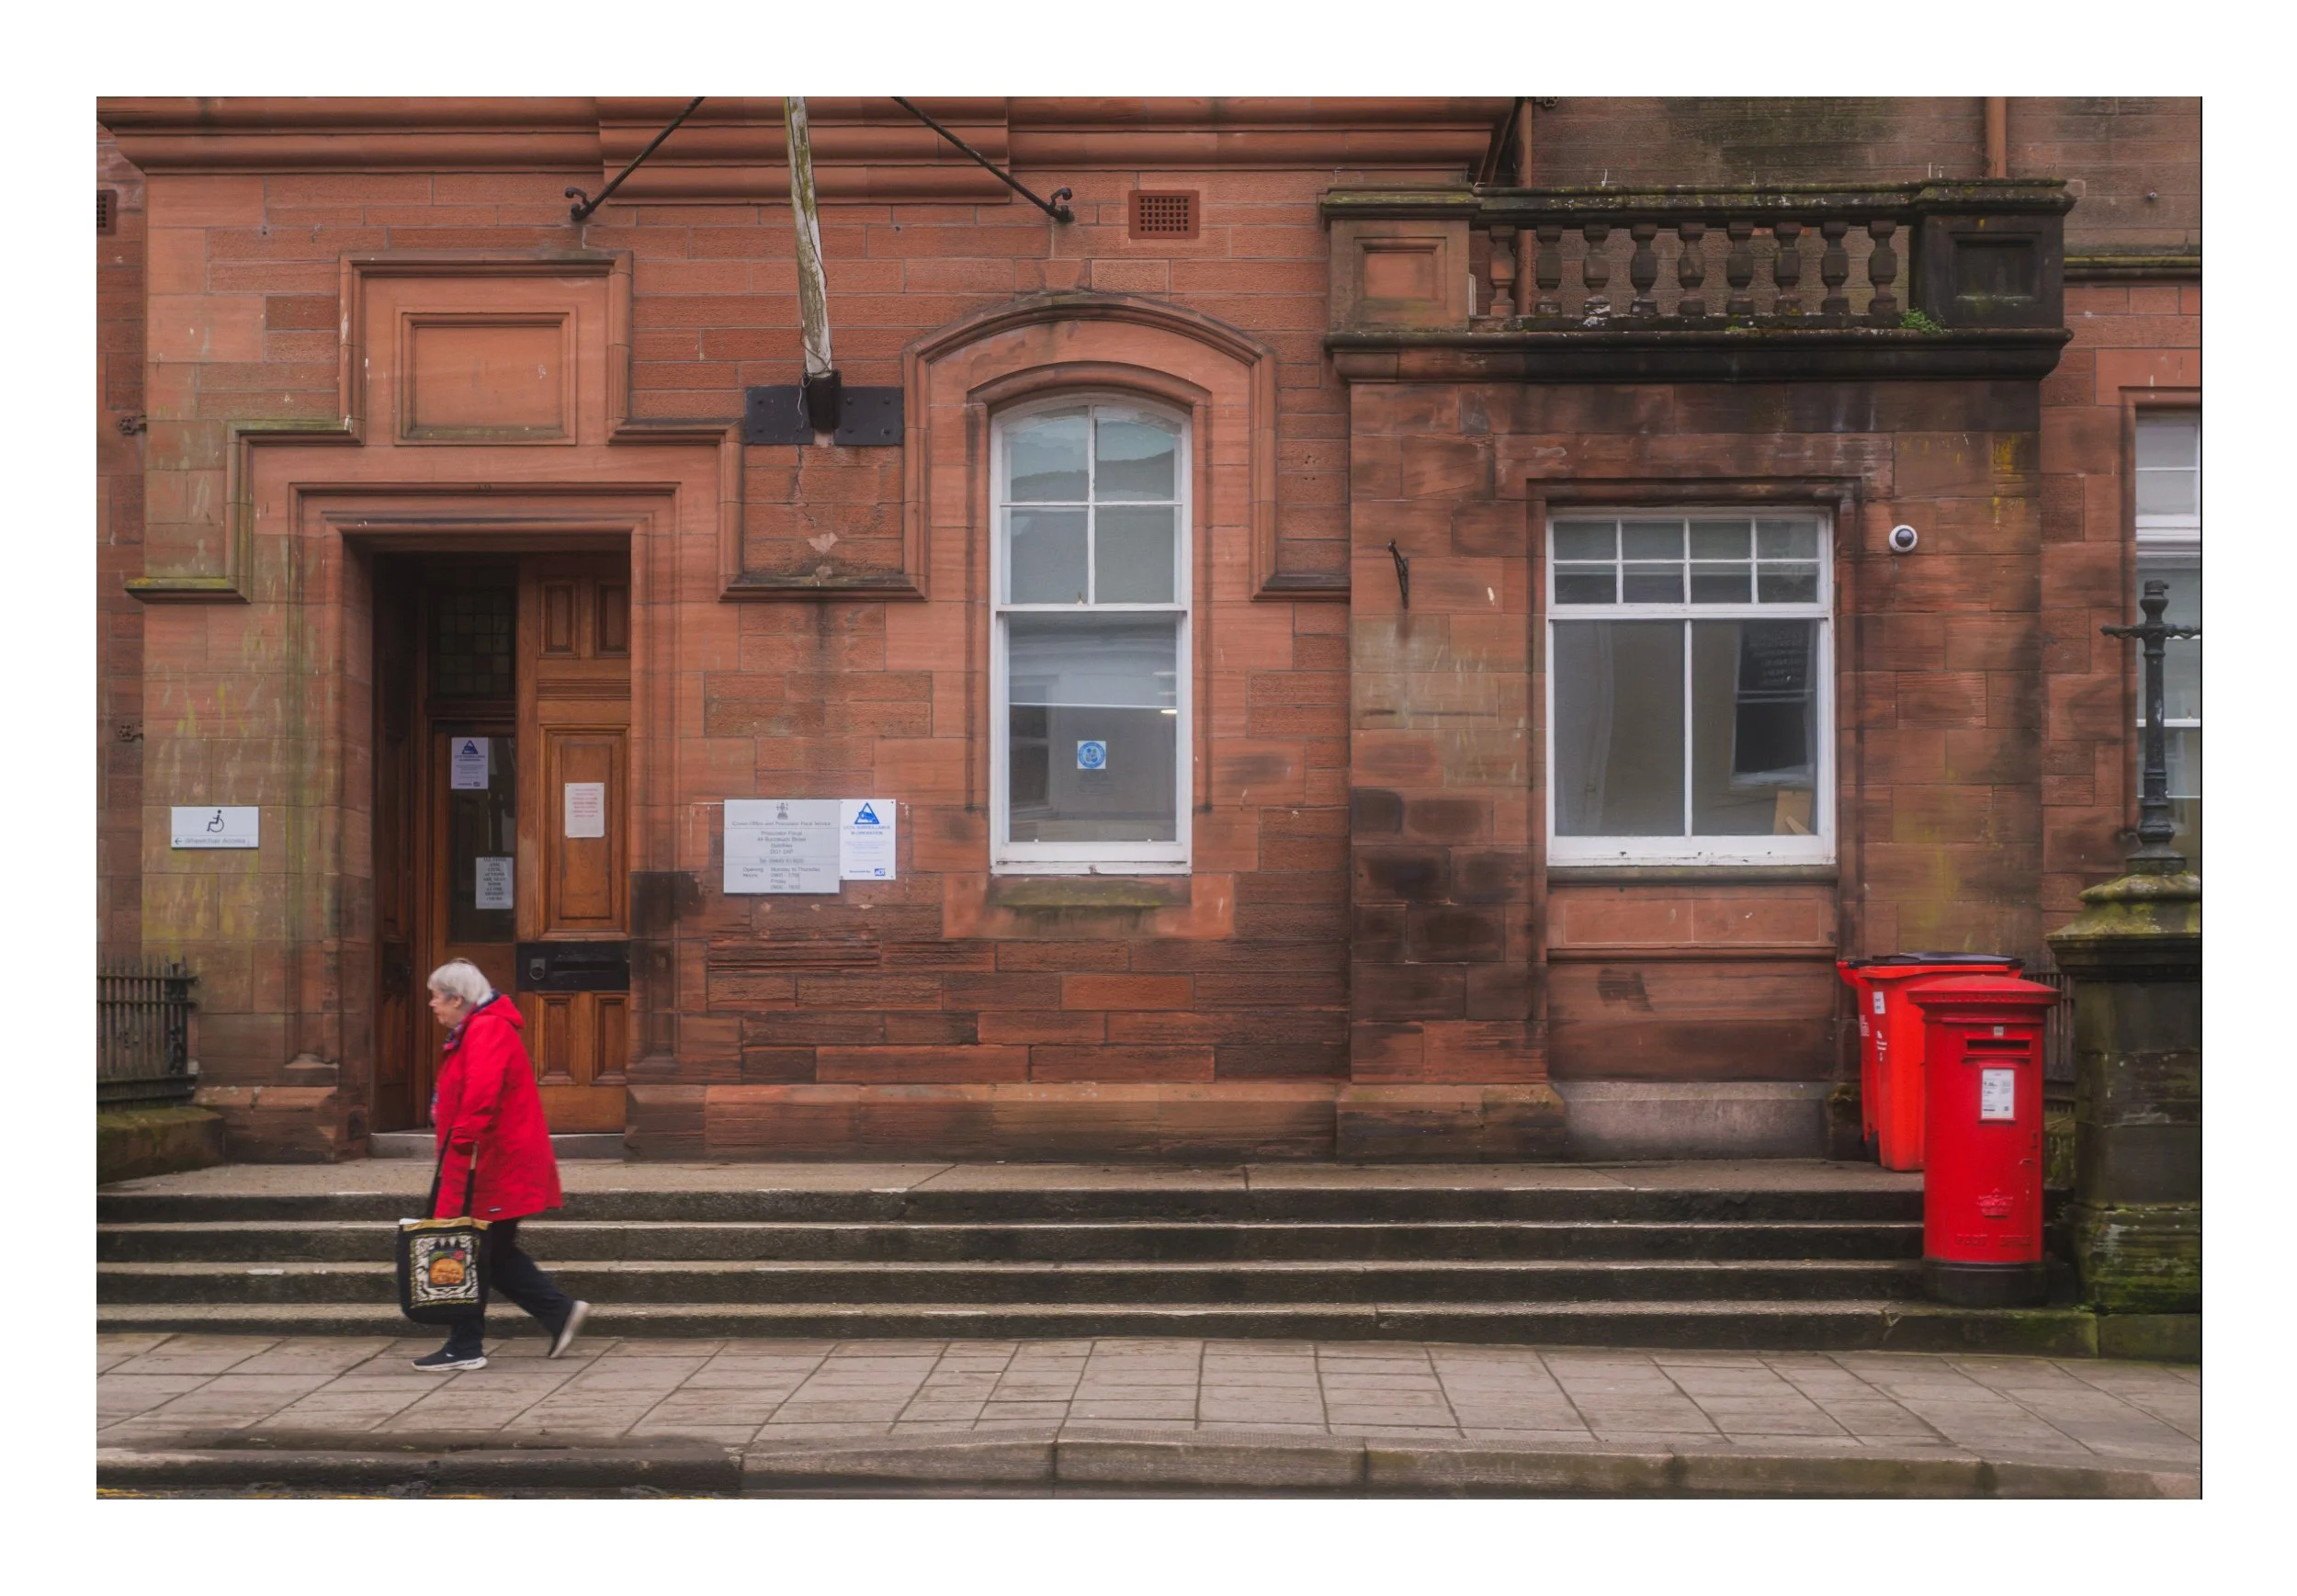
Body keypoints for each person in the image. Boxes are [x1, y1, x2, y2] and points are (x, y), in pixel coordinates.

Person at [412, 958, 591, 1372]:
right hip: (486, 1161)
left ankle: (466, 1345)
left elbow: (481, 1096)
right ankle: (557, 1312)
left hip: (487, 1164)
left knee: (468, 1250)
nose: (432, 1005)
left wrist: (458, 1145)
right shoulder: (478, 1027)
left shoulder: (486, 1028)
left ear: (457, 999)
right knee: (492, 1251)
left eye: (436, 997)